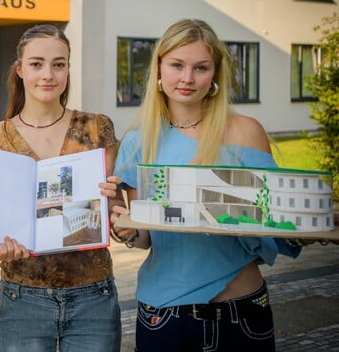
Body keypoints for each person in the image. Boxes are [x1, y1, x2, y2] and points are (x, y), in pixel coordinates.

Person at [110, 19, 302, 352]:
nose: (187, 78)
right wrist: (124, 230)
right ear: (159, 68)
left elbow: (274, 221)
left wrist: (304, 226)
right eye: (177, 65)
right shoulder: (138, 142)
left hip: (242, 311)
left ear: (215, 75)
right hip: (165, 314)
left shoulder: (246, 131)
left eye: (200, 68)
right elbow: (144, 239)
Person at [0, 24, 122, 352]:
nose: (48, 74)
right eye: (37, 63)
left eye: (59, 64)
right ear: (20, 69)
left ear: (68, 68)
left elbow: (117, 213)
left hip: (93, 296)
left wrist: (116, 209)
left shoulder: (97, 128)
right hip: (22, 297)